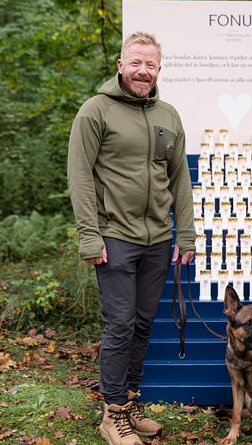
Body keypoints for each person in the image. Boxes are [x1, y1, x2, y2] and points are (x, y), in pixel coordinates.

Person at [67, 31, 195, 445]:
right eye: (135, 63)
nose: (143, 71)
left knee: (142, 324)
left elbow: (180, 179)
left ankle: (130, 403)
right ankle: (112, 414)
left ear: (159, 69)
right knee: (120, 324)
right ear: (121, 65)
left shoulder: (169, 116)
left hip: (158, 238)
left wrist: (186, 234)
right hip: (114, 236)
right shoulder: (95, 111)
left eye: (150, 64)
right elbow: (80, 177)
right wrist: (90, 236)